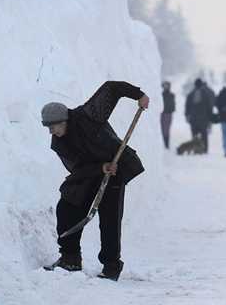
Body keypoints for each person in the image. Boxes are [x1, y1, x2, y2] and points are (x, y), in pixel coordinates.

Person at [41, 81, 149, 281]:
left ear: (64, 120)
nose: (51, 132)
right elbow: (76, 170)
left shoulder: (89, 115)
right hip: (90, 173)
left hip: (117, 168)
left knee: (109, 217)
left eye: (53, 126)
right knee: (66, 206)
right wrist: (100, 168)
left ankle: (111, 266)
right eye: (48, 128)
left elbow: (111, 88)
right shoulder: (59, 143)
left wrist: (138, 95)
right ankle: (70, 259)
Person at [185, 78, 213, 151]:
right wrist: (210, 117)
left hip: (193, 118)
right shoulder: (206, 94)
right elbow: (209, 107)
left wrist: (187, 116)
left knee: (194, 134)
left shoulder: (191, 94)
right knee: (204, 135)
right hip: (203, 118)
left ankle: (196, 149)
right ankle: (205, 149)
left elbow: (187, 106)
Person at [160, 81, 175, 149]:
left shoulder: (171, 95)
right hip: (164, 114)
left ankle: (166, 144)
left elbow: (173, 106)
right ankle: (165, 144)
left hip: (168, 114)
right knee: (163, 130)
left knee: (166, 130)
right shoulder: (162, 94)